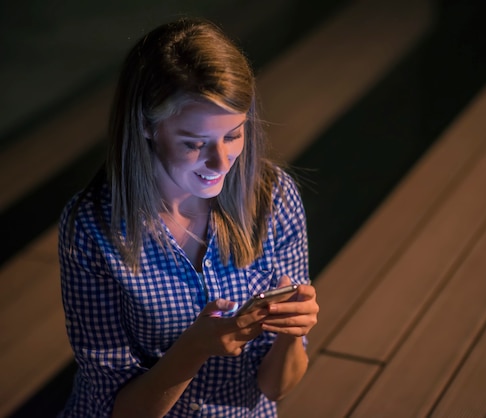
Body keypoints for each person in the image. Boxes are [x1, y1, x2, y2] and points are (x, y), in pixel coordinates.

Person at [57, 17, 318, 417]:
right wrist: (194, 348)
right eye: (195, 143)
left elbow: (274, 387)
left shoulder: (272, 197)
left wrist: (291, 334)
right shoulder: (92, 227)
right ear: (147, 125)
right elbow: (117, 408)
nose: (221, 162)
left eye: (233, 135)